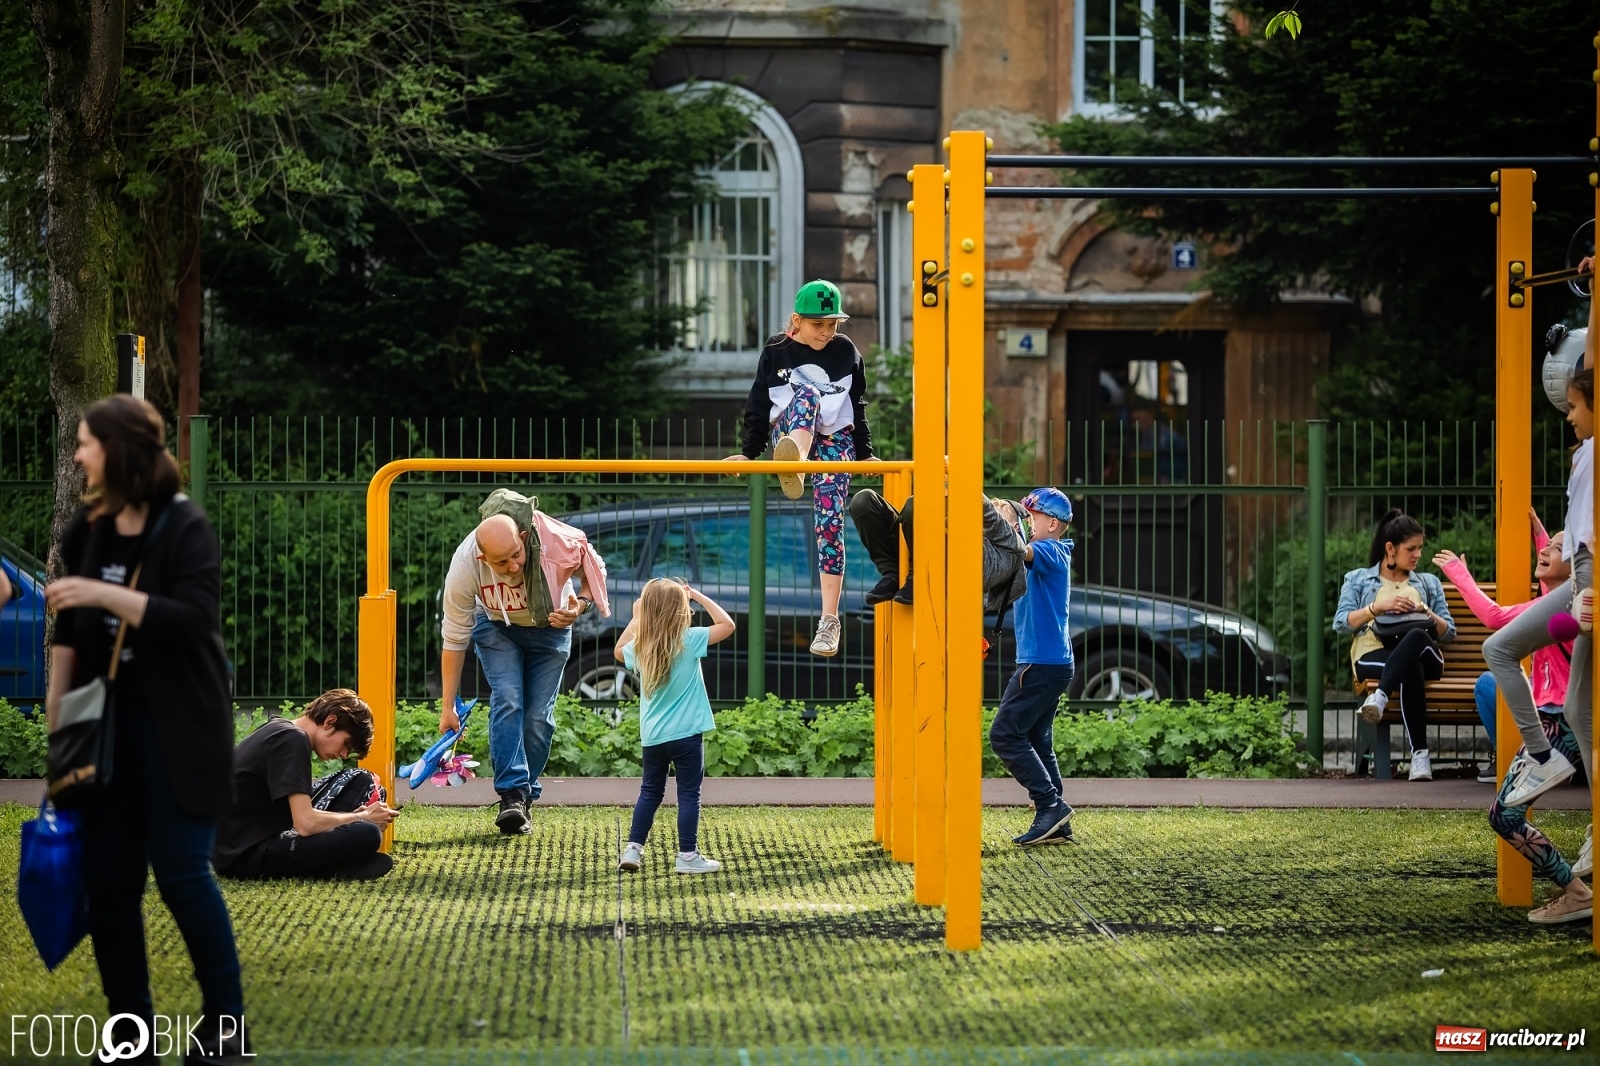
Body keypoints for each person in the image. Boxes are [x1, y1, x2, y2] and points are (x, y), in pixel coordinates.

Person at [45, 395, 248, 1062]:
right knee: (109, 882)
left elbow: (192, 621)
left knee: (183, 874)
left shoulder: (183, 527)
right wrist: (58, 733)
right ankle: (129, 1036)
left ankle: (226, 1027)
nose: (78, 455)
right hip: (102, 728)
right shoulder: (86, 531)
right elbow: (68, 642)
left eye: (86, 443)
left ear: (121, 450)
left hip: (181, 727)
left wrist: (103, 594)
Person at [1473, 364, 1597, 922]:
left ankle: (1589, 837)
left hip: (1564, 723)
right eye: (1543, 549)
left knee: (1574, 709)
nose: (1543, 550)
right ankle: (1574, 889)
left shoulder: (1567, 606)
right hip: (1546, 719)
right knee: (1502, 815)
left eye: (1573, 406)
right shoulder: (1543, 598)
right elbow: (1564, 544)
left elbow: (1576, 556)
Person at [439, 487, 609, 836]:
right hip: (497, 627)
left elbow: (595, 568)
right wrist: (447, 707)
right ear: (483, 559)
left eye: (517, 555)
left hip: (550, 629)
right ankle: (512, 796)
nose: (513, 566)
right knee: (509, 698)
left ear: (522, 537)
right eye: (502, 562)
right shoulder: (465, 564)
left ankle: (524, 795)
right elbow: (455, 636)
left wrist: (580, 605)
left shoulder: (554, 541)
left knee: (537, 717)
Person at [724, 279, 879, 658]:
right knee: (807, 393)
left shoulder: (847, 352)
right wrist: (748, 453)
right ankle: (797, 461)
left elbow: (856, 406)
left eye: (832, 325)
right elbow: (759, 403)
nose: (826, 333)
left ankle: (829, 620)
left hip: (835, 441)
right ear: (796, 320)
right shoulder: (776, 351)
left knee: (830, 524)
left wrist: (866, 453)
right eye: (817, 325)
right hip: (791, 431)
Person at [1433, 512, 1570, 781]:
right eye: (1548, 544)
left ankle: (1516, 758)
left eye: (1557, 549)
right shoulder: (1565, 595)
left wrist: (1459, 575)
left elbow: (1494, 617)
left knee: (1486, 682)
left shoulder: (1554, 607)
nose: (1544, 550)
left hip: (1556, 708)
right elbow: (1552, 575)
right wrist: (1538, 530)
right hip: (1563, 704)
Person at [614, 578, 736, 875]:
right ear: (681, 609)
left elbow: (618, 651)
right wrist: (697, 595)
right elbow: (727, 624)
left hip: (653, 737)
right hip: (686, 737)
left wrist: (637, 616)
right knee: (688, 794)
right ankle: (687, 856)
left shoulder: (640, 646)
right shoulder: (689, 639)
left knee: (650, 792)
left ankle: (633, 849)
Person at [213, 688, 398, 881]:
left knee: (359, 782)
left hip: (235, 847)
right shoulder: (293, 740)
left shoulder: (282, 729)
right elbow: (306, 823)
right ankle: (330, 868)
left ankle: (331, 862)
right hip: (245, 856)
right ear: (330, 722)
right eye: (347, 745)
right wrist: (362, 818)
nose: (344, 755)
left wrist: (355, 816)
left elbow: (300, 814)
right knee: (368, 833)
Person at [1335, 510, 1456, 782]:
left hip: (1427, 656)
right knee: (1408, 666)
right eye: (1411, 549)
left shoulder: (1428, 582)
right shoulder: (1358, 579)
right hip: (1373, 652)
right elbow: (1341, 623)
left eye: (1420, 548)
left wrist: (1423, 610)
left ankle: (1379, 696)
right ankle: (1420, 757)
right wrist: (1377, 607)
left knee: (1414, 638)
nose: (1418, 555)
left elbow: (1449, 633)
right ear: (1390, 548)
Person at [988, 487, 1077, 846]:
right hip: (1049, 662)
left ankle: (1049, 806)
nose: (1027, 522)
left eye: (1032, 517)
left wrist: (998, 521)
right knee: (1038, 739)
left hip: (1040, 664)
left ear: (1052, 523)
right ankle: (1059, 820)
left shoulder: (1050, 550)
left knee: (1005, 735)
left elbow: (1021, 549)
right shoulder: (1048, 552)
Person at [847, 491, 1028, 617]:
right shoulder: (969, 532)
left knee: (916, 505)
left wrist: (957, 476)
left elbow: (989, 515)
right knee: (864, 501)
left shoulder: (1012, 549)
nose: (993, 509)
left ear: (1015, 527)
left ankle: (915, 578)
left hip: (941, 567)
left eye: (999, 508)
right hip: (918, 551)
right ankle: (891, 575)